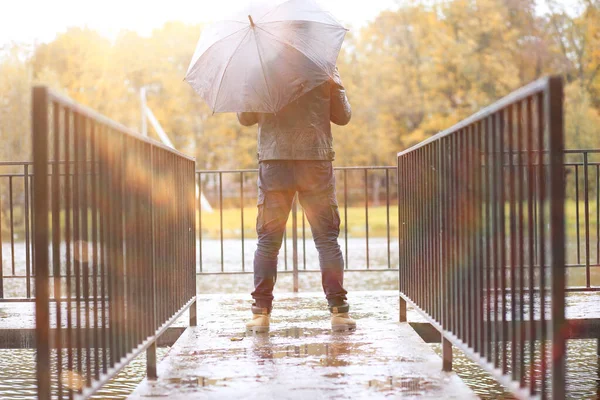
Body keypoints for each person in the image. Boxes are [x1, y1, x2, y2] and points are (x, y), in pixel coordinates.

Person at [238, 67, 356, 333]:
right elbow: (343, 116)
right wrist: (336, 83)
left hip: (274, 164)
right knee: (326, 239)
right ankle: (339, 313)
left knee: (268, 241)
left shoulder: (261, 67)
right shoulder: (321, 65)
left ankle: (261, 315)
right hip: (315, 161)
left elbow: (245, 118)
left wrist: (249, 82)